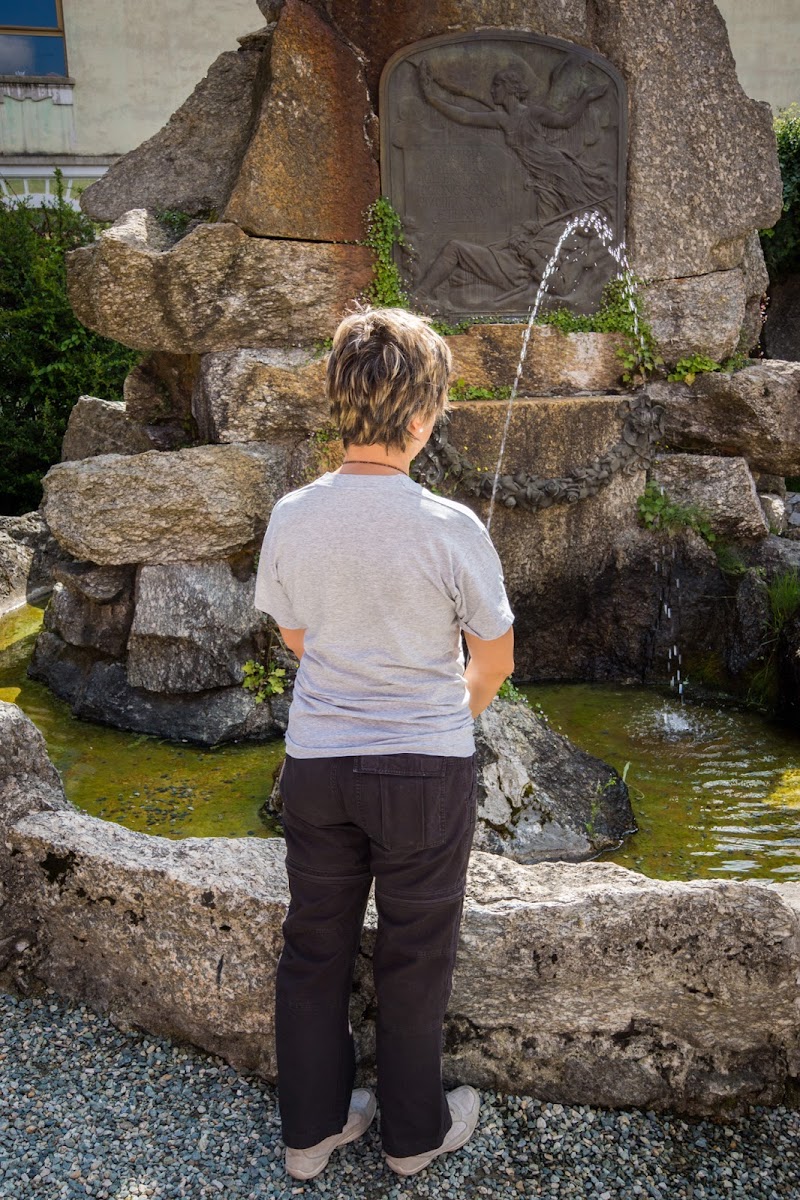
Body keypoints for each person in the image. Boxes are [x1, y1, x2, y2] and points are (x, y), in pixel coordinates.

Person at [253, 306, 515, 1181]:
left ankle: (310, 1136)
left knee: (315, 946)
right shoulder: (450, 527)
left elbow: (295, 636)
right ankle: (412, 1136)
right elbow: (496, 656)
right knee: (415, 953)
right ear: (421, 419)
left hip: (320, 765)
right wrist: (448, 717)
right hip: (425, 769)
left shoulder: (293, 514)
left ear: (340, 405)